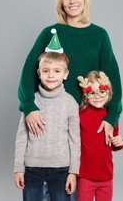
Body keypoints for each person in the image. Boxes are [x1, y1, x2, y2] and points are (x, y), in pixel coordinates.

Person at [18, 0, 122, 145]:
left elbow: (112, 76)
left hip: (90, 115)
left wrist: (112, 115)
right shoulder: (50, 33)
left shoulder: (99, 35)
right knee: (57, 169)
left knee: (91, 170)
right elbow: (28, 71)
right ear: (60, 2)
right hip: (54, 114)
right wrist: (29, 107)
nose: (72, 1)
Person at [14, 32, 80, 201]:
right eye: (46, 71)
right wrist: (18, 169)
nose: (51, 75)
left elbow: (74, 140)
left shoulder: (70, 103)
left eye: (57, 71)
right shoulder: (31, 102)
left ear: (65, 74)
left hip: (61, 169)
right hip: (32, 169)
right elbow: (21, 137)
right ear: (39, 73)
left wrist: (73, 171)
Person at [77, 71, 123, 201]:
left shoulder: (111, 117)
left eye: (102, 91)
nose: (97, 96)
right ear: (86, 95)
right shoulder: (79, 115)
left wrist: (120, 142)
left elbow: (113, 145)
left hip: (106, 176)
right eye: (92, 92)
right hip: (85, 176)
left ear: (109, 93)